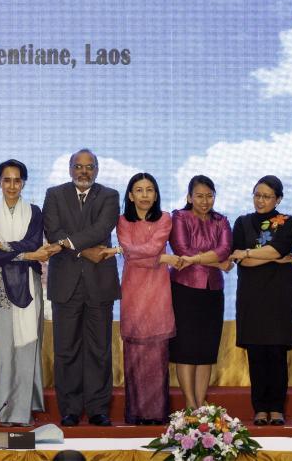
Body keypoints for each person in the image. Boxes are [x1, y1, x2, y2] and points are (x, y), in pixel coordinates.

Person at [43, 148, 120, 427]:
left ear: (96, 170)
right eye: (78, 166)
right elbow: (52, 231)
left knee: (99, 349)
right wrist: (83, 252)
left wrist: (70, 245)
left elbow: (102, 229)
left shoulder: (110, 196)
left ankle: (99, 408)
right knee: (66, 350)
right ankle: (71, 409)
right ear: (70, 169)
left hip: (100, 283)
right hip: (66, 284)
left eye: (89, 167)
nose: (83, 171)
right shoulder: (54, 194)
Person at [0, 159, 57, 427]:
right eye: (6, 180)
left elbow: (32, 243)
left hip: (30, 284)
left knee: (26, 346)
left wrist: (12, 250)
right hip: (1, 286)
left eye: (17, 180)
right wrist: (25, 253)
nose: (12, 185)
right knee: (2, 350)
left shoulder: (34, 212)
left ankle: (22, 412)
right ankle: (2, 412)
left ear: (23, 182)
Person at [227, 175, 292, 427]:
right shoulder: (242, 222)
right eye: (257, 195)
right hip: (252, 298)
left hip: (278, 298)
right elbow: (241, 259)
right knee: (256, 354)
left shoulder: (287, 222)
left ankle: (276, 408)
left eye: (267, 196)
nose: (261, 200)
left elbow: (278, 249)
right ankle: (260, 409)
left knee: (276, 354)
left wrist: (251, 253)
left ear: (278, 199)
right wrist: (265, 255)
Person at [116, 172, 177, 426]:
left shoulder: (165, 219)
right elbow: (130, 252)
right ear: (130, 195)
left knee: (157, 355)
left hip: (158, 293)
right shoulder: (121, 221)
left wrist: (137, 253)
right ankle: (136, 414)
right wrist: (156, 257)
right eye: (139, 190)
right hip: (132, 292)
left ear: (156, 194)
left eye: (149, 190)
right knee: (134, 355)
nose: (144, 195)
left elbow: (150, 248)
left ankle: (156, 414)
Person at [169, 174, 232, 410]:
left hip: (213, 292)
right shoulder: (180, 217)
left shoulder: (221, 220)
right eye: (199, 196)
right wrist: (217, 262)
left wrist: (196, 259)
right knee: (186, 348)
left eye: (209, 196)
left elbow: (225, 249)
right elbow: (182, 249)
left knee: (206, 350)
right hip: (184, 290)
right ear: (189, 197)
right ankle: (190, 404)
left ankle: (201, 406)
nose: (205, 201)